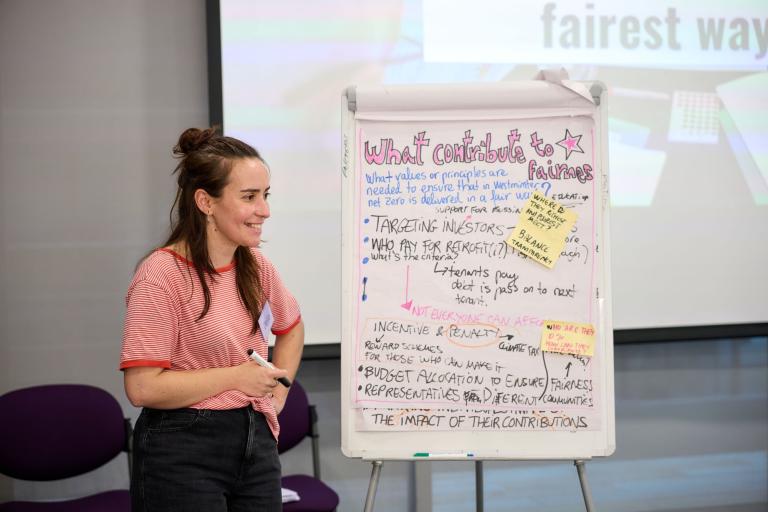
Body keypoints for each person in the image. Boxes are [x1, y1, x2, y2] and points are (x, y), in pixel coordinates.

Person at [120, 127, 304, 511]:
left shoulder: (255, 265)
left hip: (255, 441)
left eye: (265, 196)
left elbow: (292, 327)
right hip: (180, 448)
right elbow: (142, 388)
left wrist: (278, 395)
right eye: (249, 197)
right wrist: (239, 377)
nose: (265, 210)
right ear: (205, 201)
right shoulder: (160, 274)